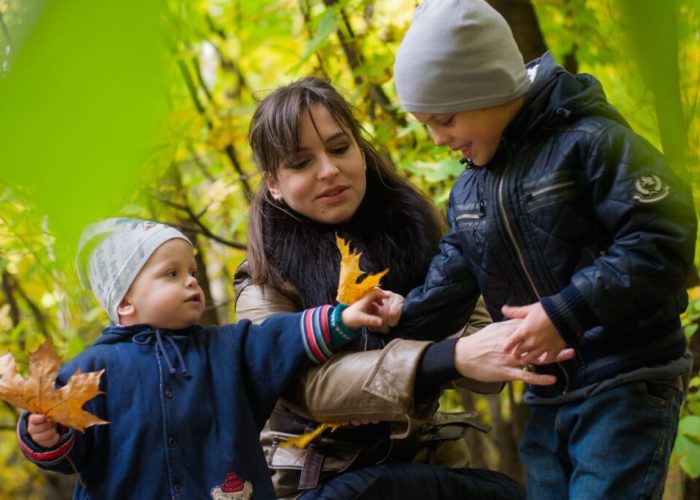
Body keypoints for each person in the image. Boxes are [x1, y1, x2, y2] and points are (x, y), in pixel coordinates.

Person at [391, 0, 698, 498]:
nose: (437, 139)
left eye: (444, 119)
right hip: (548, 392)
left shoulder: (590, 141)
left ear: (487, 86)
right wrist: (401, 314)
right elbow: (453, 275)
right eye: (426, 123)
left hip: (625, 377)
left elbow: (662, 239)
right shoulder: (470, 191)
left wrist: (566, 312)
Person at [237, 76, 574, 499]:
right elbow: (308, 386)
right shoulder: (262, 275)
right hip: (320, 478)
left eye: (340, 148)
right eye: (301, 163)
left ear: (360, 150)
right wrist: (447, 359)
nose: (329, 170)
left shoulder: (417, 227)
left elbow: (477, 325)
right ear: (273, 184)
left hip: (426, 458)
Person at [16, 217, 389, 499]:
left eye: (192, 272)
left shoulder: (227, 348)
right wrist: (45, 436)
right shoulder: (91, 370)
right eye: (171, 274)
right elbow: (64, 450)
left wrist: (344, 318)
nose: (191, 281)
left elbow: (283, 337)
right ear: (125, 301)